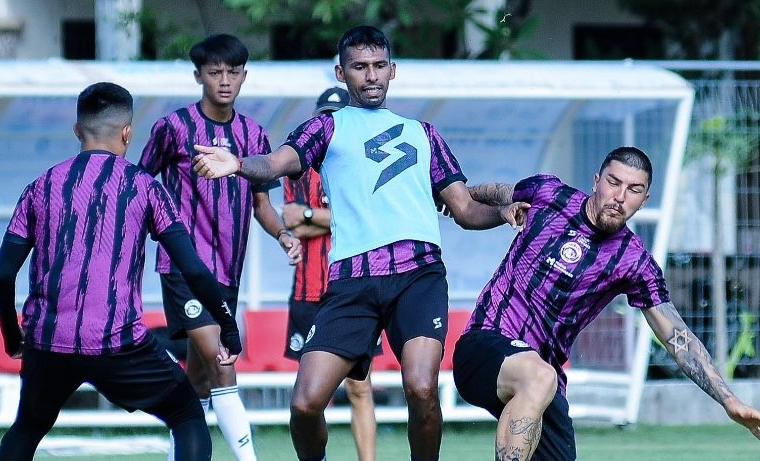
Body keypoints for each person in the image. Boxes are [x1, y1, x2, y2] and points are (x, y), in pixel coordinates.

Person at [192, 25, 527, 461]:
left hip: (418, 275)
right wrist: (237, 163)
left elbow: (463, 209)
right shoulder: (325, 128)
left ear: (393, 70)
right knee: (305, 404)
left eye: (378, 66)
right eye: (359, 67)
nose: (370, 76)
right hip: (353, 283)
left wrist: (502, 213)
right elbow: (274, 164)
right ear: (340, 72)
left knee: (422, 387)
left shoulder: (423, 134)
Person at [452, 146, 760, 461]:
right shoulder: (550, 195)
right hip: (484, 343)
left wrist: (728, 400)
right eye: (614, 183)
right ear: (597, 181)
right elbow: (500, 192)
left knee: (543, 383)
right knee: (540, 377)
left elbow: (677, 338)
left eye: (634, 189)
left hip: (542, 378)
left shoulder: (634, 262)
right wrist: (458, 197)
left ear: (645, 199)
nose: (620, 197)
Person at [0, 82, 242, 461]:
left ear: (77, 130)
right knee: (186, 413)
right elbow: (194, 269)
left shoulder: (40, 187)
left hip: (48, 341)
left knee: (28, 426)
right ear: (127, 132)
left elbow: (1, 275)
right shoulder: (144, 187)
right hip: (118, 342)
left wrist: (12, 336)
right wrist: (228, 327)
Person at [138, 34, 301, 461]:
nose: (224, 80)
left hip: (229, 272)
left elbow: (263, 205)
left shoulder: (254, 133)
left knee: (198, 379)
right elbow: (138, 185)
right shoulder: (173, 128)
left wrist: (284, 235)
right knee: (224, 361)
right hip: (183, 269)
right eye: (215, 72)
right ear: (199, 76)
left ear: (245, 75)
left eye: (233, 72)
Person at [282, 86, 379, 461]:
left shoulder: (363, 163)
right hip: (308, 289)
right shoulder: (299, 165)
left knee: (360, 389)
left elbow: (368, 218)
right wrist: (331, 218)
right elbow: (292, 220)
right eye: (323, 116)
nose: (328, 123)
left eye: (334, 116)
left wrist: (312, 216)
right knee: (310, 393)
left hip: (354, 288)